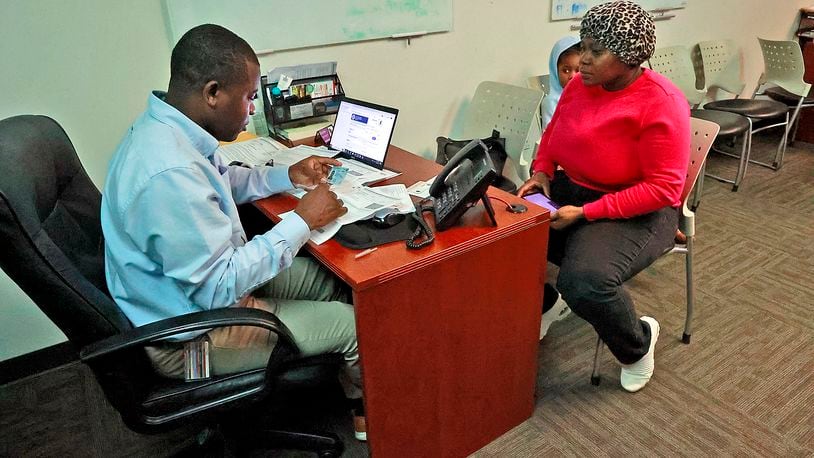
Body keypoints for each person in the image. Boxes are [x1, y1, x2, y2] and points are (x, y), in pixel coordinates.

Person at [101, 24, 367, 440]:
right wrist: (302, 220)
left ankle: (338, 380)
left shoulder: (171, 132)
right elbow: (219, 288)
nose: (250, 109)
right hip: (188, 335)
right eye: (247, 98)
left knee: (330, 280)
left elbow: (219, 184)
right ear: (212, 93)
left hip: (199, 287)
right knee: (352, 326)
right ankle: (372, 415)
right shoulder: (168, 172)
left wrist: (287, 175)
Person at [517, 0, 690, 392]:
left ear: (630, 58)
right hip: (576, 189)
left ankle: (637, 344)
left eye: (597, 51)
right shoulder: (581, 84)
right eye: (584, 46)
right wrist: (543, 169)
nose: (583, 60)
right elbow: (554, 131)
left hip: (640, 207)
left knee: (586, 282)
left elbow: (664, 188)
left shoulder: (661, 102)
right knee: (502, 234)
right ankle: (550, 301)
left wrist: (586, 213)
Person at [541, 36, 582, 131]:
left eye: (578, 70)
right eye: (566, 70)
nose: (573, 76)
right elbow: (550, 136)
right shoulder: (551, 103)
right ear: (555, 71)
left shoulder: (592, 97)